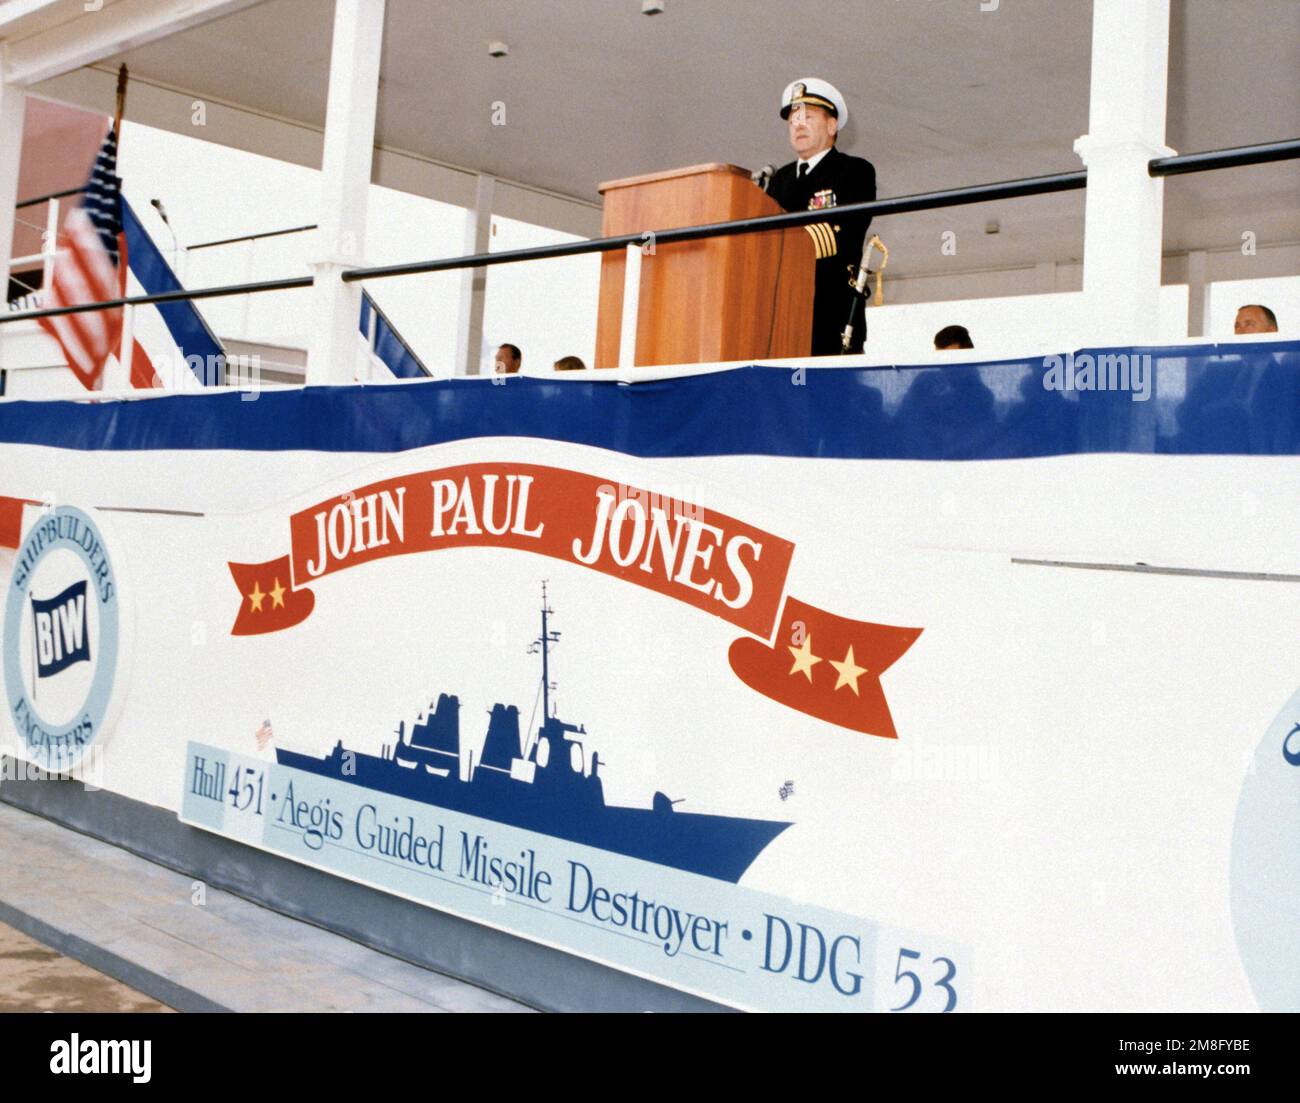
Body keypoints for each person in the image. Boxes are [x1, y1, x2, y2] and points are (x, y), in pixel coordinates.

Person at [766, 78, 877, 356]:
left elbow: (841, 234)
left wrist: (782, 247)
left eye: (808, 117)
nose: (798, 125)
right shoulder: (779, 179)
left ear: (831, 126)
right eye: (793, 120)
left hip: (830, 309)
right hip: (780, 313)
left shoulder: (854, 171)